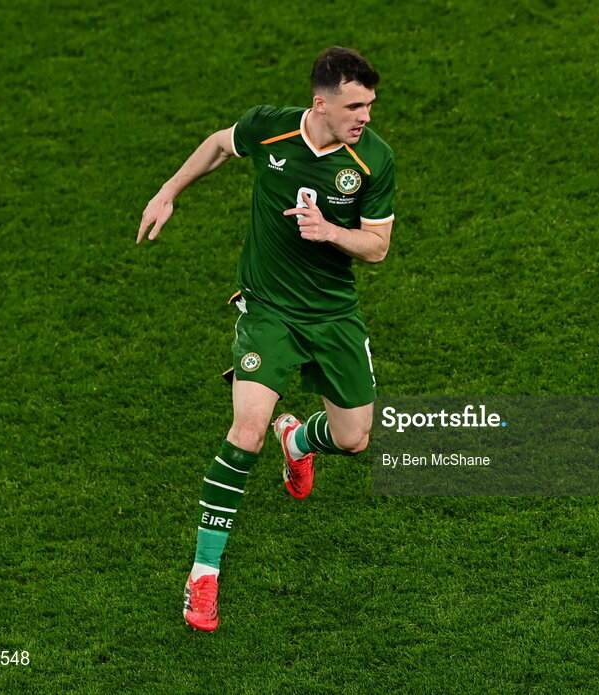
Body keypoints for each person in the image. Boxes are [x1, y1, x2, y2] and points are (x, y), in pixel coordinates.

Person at [137, 46, 395, 632]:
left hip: (333, 316)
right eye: (356, 105)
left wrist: (331, 232)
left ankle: (300, 441)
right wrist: (169, 190)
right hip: (268, 311)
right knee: (245, 430)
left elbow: (377, 247)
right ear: (320, 102)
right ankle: (203, 577)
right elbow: (217, 145)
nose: (366, 116)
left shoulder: (374, 160)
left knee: (354, 439)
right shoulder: (269, 129)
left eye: (371, 105)